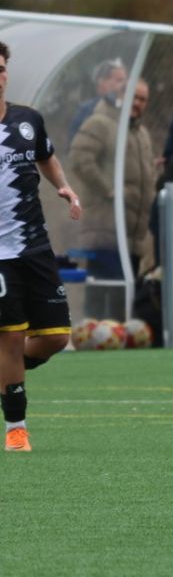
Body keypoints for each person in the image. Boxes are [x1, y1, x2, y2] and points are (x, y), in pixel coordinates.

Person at [0, 41, 85, 453]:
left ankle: (5, 373)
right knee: (11, 339)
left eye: (0, 68)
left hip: (34, 246)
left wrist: (63, 186)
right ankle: (16, 428)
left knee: (55, 336)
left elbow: (46, 157)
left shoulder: (27, 121)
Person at [67, 79, 158, 317]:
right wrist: (108, 189)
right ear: (120, 95)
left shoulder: (141, 133)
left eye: (143, 99)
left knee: (124, 299)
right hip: (105, 230)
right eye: (134, 97)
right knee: (104, 293)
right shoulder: (101, 123)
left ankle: (119, 344)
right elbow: (79, 158)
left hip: (134, 234)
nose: (137, 103)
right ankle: (93, 341)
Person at [66, 59, 127, 144]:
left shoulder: (127, 110)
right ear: (101, 81)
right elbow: (75, 143)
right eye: (119, 80)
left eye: (124, 80)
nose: (124, 85)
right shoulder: (87, 110)